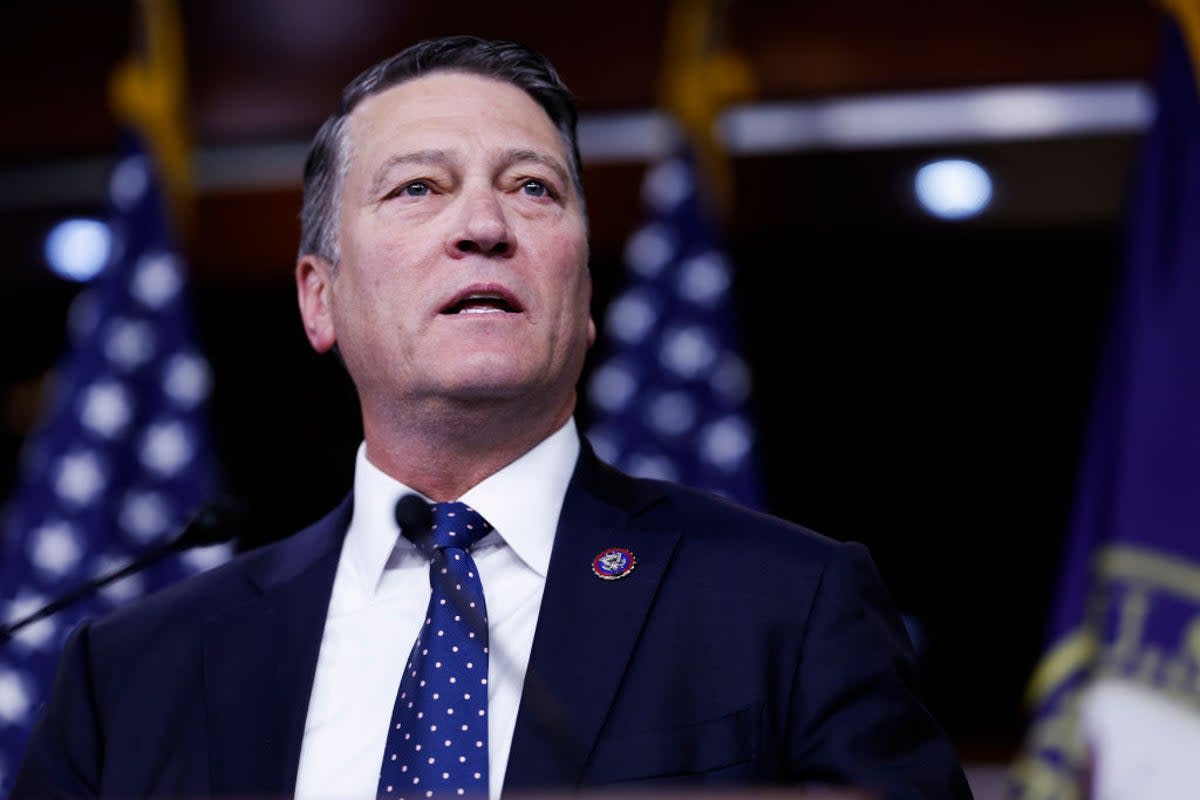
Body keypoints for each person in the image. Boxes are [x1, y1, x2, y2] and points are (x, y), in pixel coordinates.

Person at [12, 34, 974, 800]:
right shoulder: (132, 672)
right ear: (319, 299)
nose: (484, 225)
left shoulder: (787, 604)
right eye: (418, 188)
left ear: (585, 295)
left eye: (532, 188)